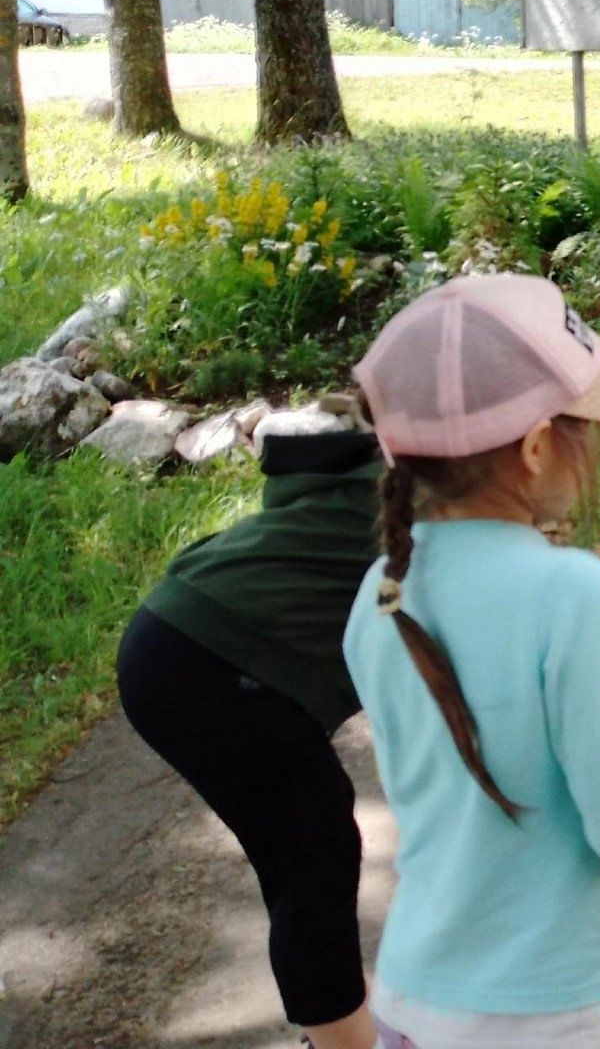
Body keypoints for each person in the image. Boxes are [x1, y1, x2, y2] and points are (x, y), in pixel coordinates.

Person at [342, 272, 600, 1049]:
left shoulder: (381, 586)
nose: (594, 444)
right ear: (537, 448)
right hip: (541, 1017)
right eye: (585, 425)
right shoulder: (571, 592)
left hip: (410, 996)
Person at [116, 426, 386, 1049]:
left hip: (176, 628)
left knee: (314, 848)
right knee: (312, 858)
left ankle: (341, 1032)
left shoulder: (399, 464)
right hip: (207, 662)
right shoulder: (444, 498)